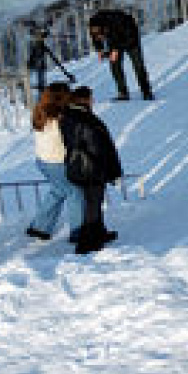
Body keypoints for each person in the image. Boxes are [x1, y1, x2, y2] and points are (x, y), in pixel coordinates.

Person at [60, 85, 123, 254]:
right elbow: (97, 146)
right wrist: (109, 168)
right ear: (84, 99)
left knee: (94, 203)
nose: (93, 101)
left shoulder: (70, 115)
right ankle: (87, 242)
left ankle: (99, 233)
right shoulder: (84, 118)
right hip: (90, 168)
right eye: (90, 98)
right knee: (92, 205)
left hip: (79, 166)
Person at [25, 83, 83, 241]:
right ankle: (79, 231)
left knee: (58, 191)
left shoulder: (40, 112)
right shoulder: (60, 118)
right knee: (74, 192)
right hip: (57, 162)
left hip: (43, 161)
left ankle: (40, 227)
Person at [88, 8, 154, 102]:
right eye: (98, 35)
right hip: (114, 39)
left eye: (101, 36)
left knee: (138, 65)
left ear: (104, 29)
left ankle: (147, 92)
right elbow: (95, 39)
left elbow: (124, 37)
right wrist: (100, 49)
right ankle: (123, 93)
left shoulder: (117, 22)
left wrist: (115, 50)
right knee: (115, 66)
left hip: (130, 37)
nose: (100, 38)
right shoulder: (93, 25)